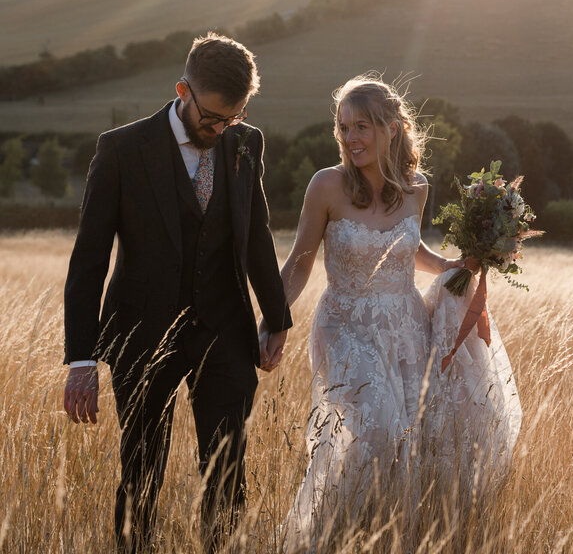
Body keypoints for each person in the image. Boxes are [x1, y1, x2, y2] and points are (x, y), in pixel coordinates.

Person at [61, 33, 292, 553]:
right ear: (182, 90)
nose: (221, 129)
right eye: (211, 118)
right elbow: (89, 260)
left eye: (232, 117)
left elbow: (256, 234)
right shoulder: (120, 149)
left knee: (228, 472)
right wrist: (81, 360)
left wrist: (276, 319)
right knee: (141, 472)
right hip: (140, 333)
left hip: (225, 330)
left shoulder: (245, 142)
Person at [277, 75, 521, 550]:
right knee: (379, 429)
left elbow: (409, 249)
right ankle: (324, 538)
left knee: (407, 443)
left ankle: (379, 537)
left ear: (392, 128)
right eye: (343, 128)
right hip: (344, 326)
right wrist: (272, 321)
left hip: (405, 326)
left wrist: (451, 266)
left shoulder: (416, 187)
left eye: (361, 126)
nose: (350, 138)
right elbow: (299, 263)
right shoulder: (326, 185)